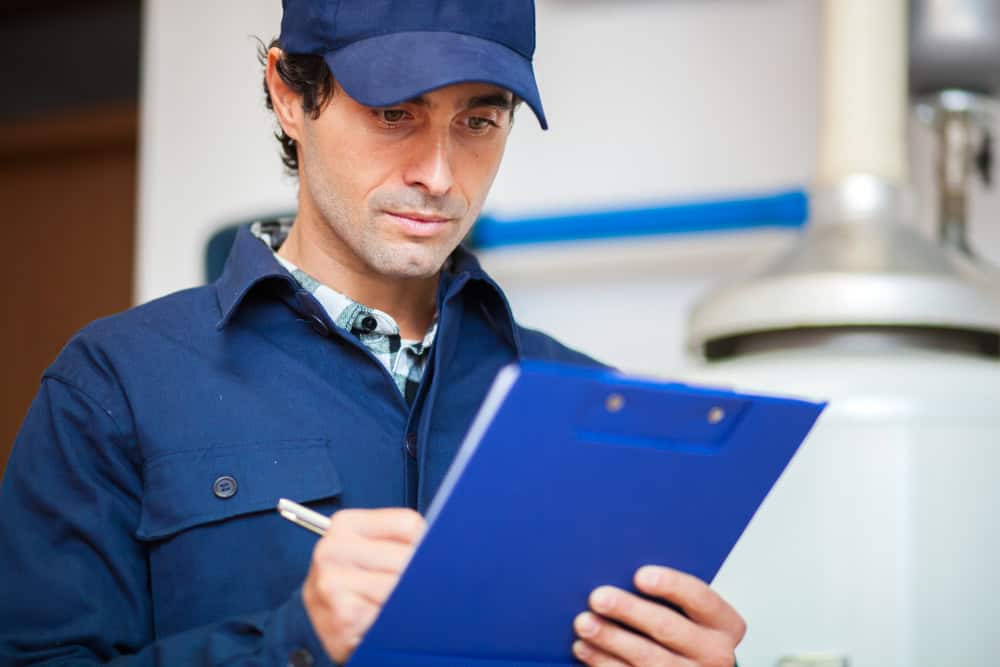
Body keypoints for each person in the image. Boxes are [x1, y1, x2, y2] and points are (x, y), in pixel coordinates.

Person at [0, 1, 746, 665]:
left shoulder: (595, 406)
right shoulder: (113, 386)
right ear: (289, 92)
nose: (439, 174)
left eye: (478, 121)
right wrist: (296, 641)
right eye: (396, 113)